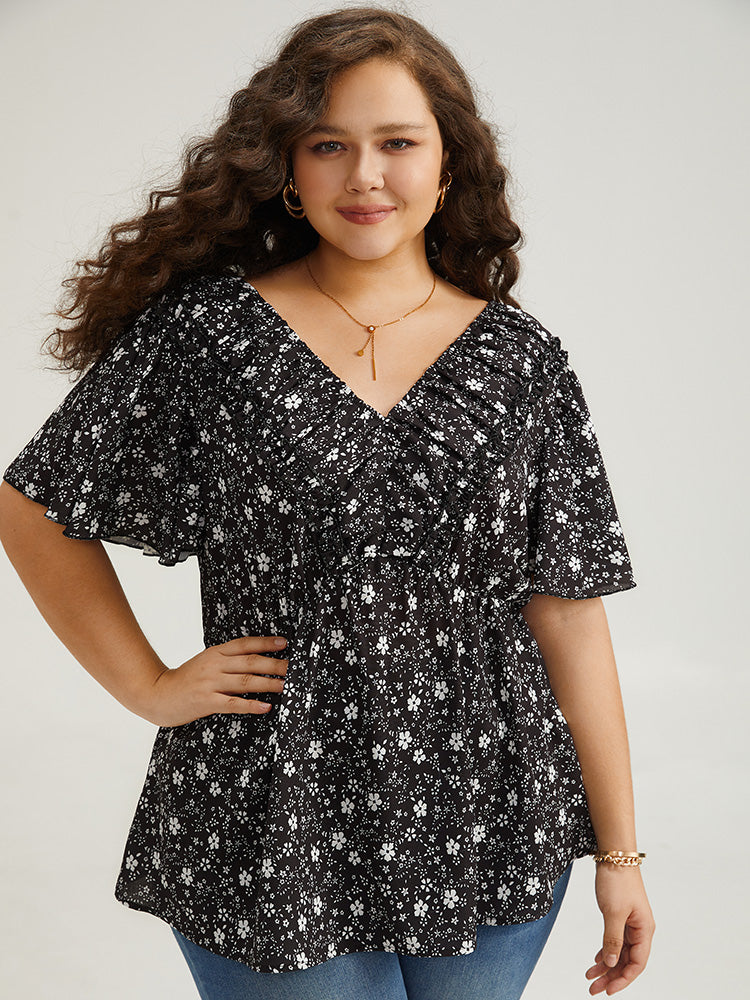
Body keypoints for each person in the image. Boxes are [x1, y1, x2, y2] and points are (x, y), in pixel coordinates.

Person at [0, 5, 655, 999]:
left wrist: (620, 854)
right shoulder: (210, 336)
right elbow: (34, 504)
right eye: (329, 145)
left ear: (449, 163)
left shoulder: (520, 359)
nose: (365, 176)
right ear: (287, 169)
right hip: (271, 801)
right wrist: (147, 684)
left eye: (399, 143)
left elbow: (567, 610)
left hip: (491, 804)